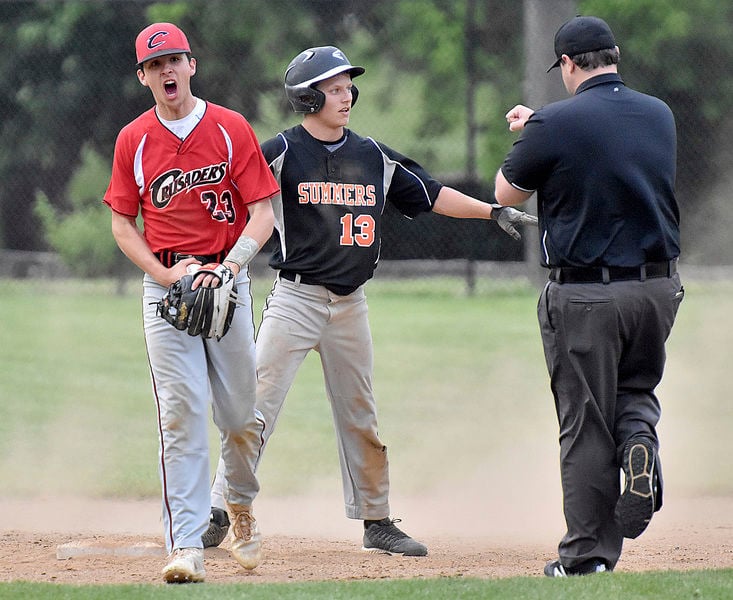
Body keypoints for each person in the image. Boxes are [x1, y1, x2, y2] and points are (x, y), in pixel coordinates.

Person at [202, 45, 537, 556]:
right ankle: (221, 509)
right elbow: (226, 199)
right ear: (308, 96)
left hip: (350, 306)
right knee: (255, 407)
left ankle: (376, 522)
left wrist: (492, 212)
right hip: (294, 300)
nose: (347, 96)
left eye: (347, 87)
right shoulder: (279, 153)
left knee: (360, 415)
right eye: (334, 88)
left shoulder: (371, 155)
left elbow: (430, 193)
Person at [493, 16, 684, 577]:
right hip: (657, 287)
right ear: (615, 56)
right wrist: (547, 128)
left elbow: (508, 191)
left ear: (569, 65)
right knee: (635, 390)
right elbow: (608, 154)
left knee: (584, 424)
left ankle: (585, 559)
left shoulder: (554, 122)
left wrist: (534, 131)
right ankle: (640, 448)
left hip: (586, 296)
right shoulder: (659, 114)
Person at [103, 22, 279, 583]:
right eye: (155, 65)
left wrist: (229, 268)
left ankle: (242, 506)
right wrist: (164, 274)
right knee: (179, 413)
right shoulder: (133, 139)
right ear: (143, 77)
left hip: (226, 282)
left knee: (237, 416)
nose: (167, 71)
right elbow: (122, 224)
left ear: (192, 65)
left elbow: (262, 214)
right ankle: (185, 545)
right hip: (166, 288)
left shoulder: (229, 129)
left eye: (174, 60)